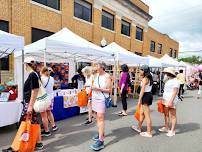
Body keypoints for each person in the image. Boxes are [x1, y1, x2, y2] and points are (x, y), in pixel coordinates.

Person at [3, 57, 43, 152]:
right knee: (34, 122)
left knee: (23, 123)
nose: (24, 66)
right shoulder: (34, 74)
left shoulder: (32, 75)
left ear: (26, 64)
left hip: (29, 103)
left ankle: (18, 146)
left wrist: (30, 105)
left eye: (25, 65)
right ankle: (38, 143)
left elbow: (35, 90)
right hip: (30, 103)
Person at [90, 63, 112, 151]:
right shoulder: (96, 75)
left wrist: (98, 89)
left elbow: (109, 90)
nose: (95, 68)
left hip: (102, 99)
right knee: (97, 117)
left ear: (102, 67)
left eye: (97, 66)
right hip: (95, 98)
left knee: (100, 118)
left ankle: (101, 141)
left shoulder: (107, 76)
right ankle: (101, 133)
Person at [132, 65, 153, 138]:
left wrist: (139, 100)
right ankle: (139, 127)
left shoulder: (145, 79)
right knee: (142, 113)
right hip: (149, 95)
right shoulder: (149, 78)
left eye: (141, 70)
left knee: (147, 115)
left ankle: (149, 132)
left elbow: (142, 90)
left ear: (144, 71)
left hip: (145, 96)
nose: (140, 71)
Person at [159, 67, 180, 137]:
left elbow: (175, 92)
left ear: (169, 73)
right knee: (166, 114)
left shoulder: (175, 81)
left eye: (166, 73)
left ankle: (173, 130)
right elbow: (166, 90)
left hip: (171, 100)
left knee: (173, 115)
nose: (165, 74)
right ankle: (166, 127)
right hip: (166, 99)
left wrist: (171, 101)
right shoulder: (169, 80)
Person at [40, 67, 58, 137]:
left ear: (42, 72)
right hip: (51, 98)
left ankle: (46, 131)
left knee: (44, 115)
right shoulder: (51, 78)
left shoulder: (41, 78)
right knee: (49, 112)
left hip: (44, 98)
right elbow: (52, 87)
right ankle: (53, 126)